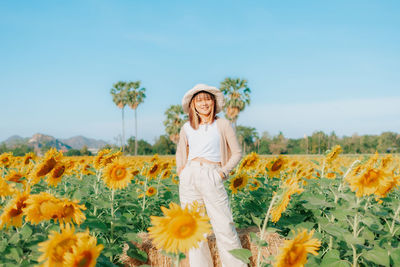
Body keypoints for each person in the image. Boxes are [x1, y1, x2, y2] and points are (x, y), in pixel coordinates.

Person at [176, 83, 247, 267]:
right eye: (199, 100)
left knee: (224, 226)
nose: (204, 103)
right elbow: (180, 153)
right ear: (193, 105)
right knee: (194, 229)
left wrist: (222, 173)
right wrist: (182, 172)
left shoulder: (222, 124)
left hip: (212, 174)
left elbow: (237, 152)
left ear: (213, 102)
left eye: (207, 99)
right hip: (189, 176)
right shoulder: (186, 128)